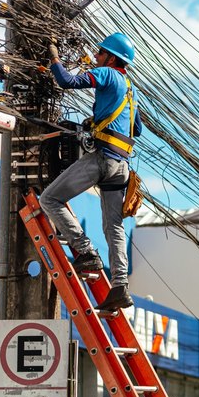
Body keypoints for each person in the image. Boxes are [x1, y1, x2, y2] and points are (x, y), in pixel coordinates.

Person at [40, 32, 141, 312]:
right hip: (122, 167)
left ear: (111, 58)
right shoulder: (130, 88)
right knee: (114, 227)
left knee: (49, 199)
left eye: (100, 53)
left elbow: (66, 81)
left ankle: (85, 251)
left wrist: (54, 55)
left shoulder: (107, 74)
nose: (96, 57)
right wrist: (101, 120)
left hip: (103, 160)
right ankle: (120, 286)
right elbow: (138, 129)